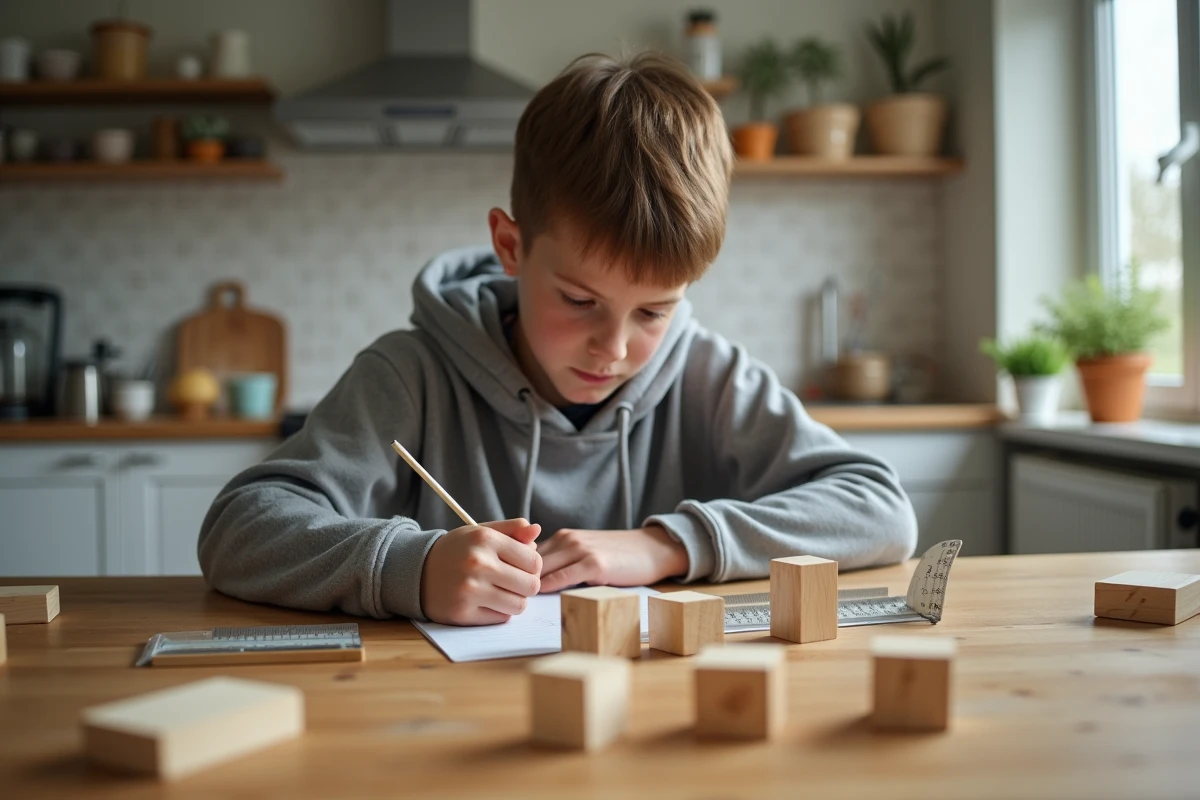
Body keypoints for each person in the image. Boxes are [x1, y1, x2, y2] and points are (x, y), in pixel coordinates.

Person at [198, 52, 917, 627]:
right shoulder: (409, 373)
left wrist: (666, 545)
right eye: (580, 300)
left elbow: (880, 511)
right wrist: (410, 568)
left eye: (653, 312)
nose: (614, 348)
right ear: (510, 247)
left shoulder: (708, 375)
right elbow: (237, 530)